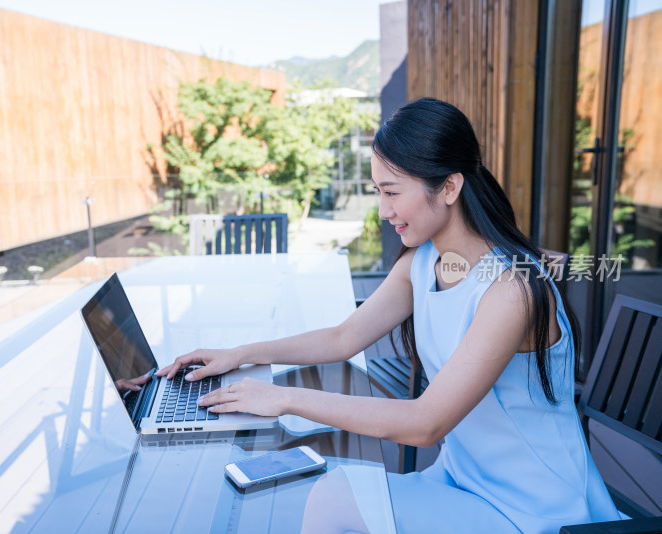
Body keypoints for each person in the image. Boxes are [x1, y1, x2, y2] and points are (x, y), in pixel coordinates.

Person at [157, 98, 623, 533]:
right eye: (378, 192)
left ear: (449, 186)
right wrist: (239, 354)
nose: (383, 211)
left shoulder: (510, 291)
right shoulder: (423, 262)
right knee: (332, 489)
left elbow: (425, 424)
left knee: (334, 495)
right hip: (460, 479)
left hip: (538, 510)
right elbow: (344, 337)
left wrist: (283, 398)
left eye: (392, 193)